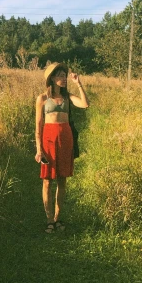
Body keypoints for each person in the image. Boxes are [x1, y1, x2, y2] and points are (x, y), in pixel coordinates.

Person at [35, 62, 89, 233]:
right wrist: (39, 149)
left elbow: (85, 104)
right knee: (47, 181)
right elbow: (38, 126)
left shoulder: (68, 97)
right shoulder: (42, 98)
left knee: (62, 179)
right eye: (59, 75)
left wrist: (78, 83)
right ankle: (49, 219)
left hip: (66, 139)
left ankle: (58, 218)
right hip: (48, 140)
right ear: (51, 78)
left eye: (64, 75)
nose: (63, 78)